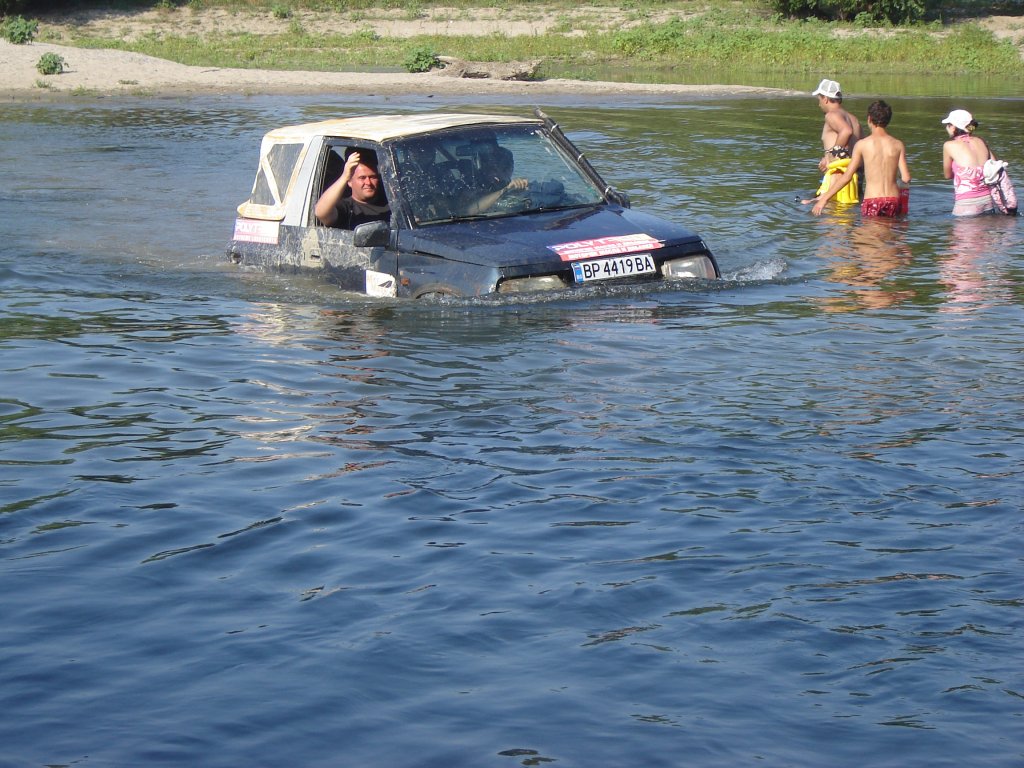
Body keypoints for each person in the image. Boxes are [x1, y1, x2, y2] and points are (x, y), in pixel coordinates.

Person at [811, 100, 911, 218]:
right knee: (888, 234)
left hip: (873, 201)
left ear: (869, 119)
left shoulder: (863, 145)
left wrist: (824, 199)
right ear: (888, 120)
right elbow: (906, 178)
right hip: (894, 200)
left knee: (864, 235)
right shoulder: (898, 145)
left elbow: (847, 176)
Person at [812, 78, 863, 206]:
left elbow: (846, 131)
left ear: (825, 99)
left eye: (819, 99)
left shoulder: (831, 115)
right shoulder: (854, 119)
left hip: (839, 173)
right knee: (850, 210)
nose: (819, 104)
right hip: (856, 173)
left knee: (831, 214)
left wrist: (829, 156)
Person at [941, 109, 997, 217]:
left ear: (953, 127)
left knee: (959, 233)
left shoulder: (949, 145)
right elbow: (994, 165)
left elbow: (947, 175)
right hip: (988, 200)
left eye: (948, 125)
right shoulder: (981, 141)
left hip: (966, 203)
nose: (947, 128)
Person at [315, 149, 390, 228]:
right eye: (362, 178)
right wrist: (344, 177)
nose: (368, 182)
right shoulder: (346, 208)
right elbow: (321, 213)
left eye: (373, 177)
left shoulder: (391, 202)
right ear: (350, 181)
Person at [462, 145, 528, 215]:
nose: (499, 173)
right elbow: (470, 211)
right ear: (485, 168)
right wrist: (504, 190)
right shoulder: (473, 188)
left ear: (511, 168)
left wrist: (524, 192)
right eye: (493, 169)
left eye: (505, 168)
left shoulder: (517, 186)